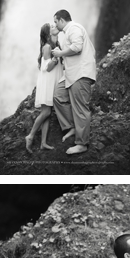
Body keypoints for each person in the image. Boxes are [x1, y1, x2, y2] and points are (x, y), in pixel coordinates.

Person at [51, 10, 96, 155]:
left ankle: (82, 143)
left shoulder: (74, 28)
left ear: (62, 20)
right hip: (71, 74)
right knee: (58, 95)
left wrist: (60, 53)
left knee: (80, 108)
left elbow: (77, 47)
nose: (55, 25)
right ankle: (71, 126)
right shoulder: (68, 32)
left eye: (56, 22)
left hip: (80, 74)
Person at [25, 23, 63, 152]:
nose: (55, 26)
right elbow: (47, 68)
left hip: (53, 82)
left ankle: (43, 143)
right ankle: (30, 136)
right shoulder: (47, 47)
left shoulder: (57, 45)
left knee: (47, 113)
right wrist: (56, 58)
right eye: (52, 27)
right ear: (48, 34)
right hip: (47, 82)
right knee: (46, 112)